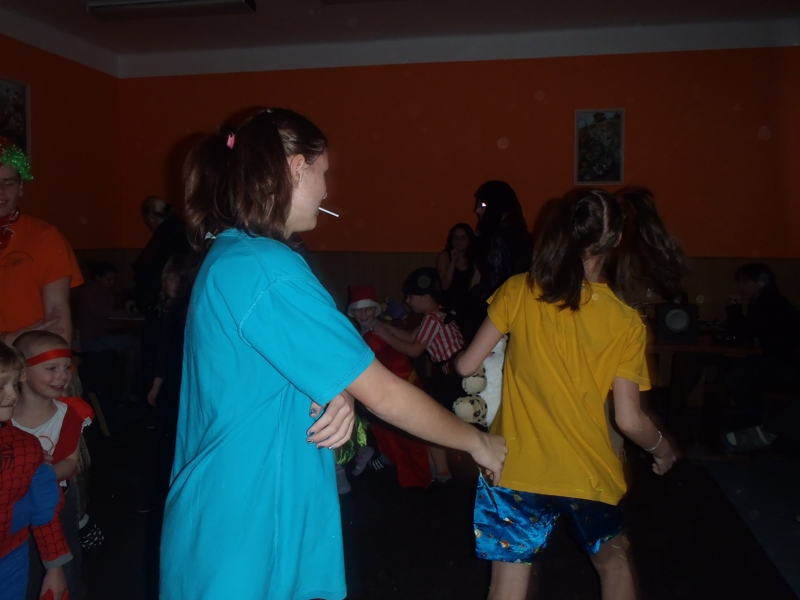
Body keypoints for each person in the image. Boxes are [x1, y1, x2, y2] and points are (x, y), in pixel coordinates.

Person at [160, 108, 507, 600]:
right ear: (295, 169)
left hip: (236, 514)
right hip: (247, 524)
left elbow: (267, 369)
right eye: (323, 173)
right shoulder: (266, 267)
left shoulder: (236, 254)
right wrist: (478, 443)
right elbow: (385, 395)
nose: (327, 191)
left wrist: (334, 389)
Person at [455, 189, 680, 600]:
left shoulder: (518, 290)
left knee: (507, 583)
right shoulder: (626, 322)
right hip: (587, 471)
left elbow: (466, 366)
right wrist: (663, 451)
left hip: (512, 466)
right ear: (616, 240)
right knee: (614, 566)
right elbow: (629, 420)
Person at [11, 331, 94, 600]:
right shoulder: (5, 414)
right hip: (12, 505)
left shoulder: (70, 413)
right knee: (22, 565)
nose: (62, 376)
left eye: (66, 368)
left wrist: (39, 474)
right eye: (51, 368)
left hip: (58, 502)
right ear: (22, 373)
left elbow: (70, 463)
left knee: (65, 563)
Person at [374, 267, 466, 485]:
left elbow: (414, 349)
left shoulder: (433, 319)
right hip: (453, 376)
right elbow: (410, 335)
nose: (407, 301)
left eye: (411, 297)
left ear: (426, 297)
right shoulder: (435, 314)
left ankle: (443, 473)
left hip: (454, 377)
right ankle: (444, 468)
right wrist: (384, 327)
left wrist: (386, 336)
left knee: (434, 422)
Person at [0, 341, 71, 600]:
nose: (12, 395)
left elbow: (43, 507)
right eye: (1, 386)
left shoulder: (26, 447)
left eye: (14, 385)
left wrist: (55, 567)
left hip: (10, 557)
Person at [0, 136, 83, 345]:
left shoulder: (44, 236)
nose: (0, 191)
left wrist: (57, 360)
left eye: (8, 183)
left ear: (21, 187)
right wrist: (7, 339)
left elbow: (57, 311)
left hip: (30, 359)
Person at [347, 284, 431, 488]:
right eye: (359, 310)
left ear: (375, 310)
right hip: (382, 390)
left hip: (399, 389)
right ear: (353, 312)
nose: (363, 314)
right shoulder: (363, 332)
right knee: (386, 432)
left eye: (367, 309)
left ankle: (420, 475)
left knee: (405, 435)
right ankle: (391, 460)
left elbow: (409, 346)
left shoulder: (378, 331)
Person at [139, 255, 190, 512]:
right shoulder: (165, 312)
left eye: (181, 280)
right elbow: (162, 352)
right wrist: (156, 383)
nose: (176, 285)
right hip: (171, 382)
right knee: (165, 440)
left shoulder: (187, 312)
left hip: (184, 382)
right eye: (171, 279)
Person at [723, 263, 800, 427]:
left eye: (745, 282)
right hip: (777, 361)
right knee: (726, 366)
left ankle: (752, 423)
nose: (740, 287)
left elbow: (744, 332)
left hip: (787, 366)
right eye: (739, 282)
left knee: (735, 377)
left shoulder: (771, 304)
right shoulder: (762, 302)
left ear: (761, 283)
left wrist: (735, 306)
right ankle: (747, 420)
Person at [76, 260, 139, 402]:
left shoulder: (106, 294)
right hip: (91, 342)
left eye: (113, 280)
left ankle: (126, 394)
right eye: (109, 279)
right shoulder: (88, 293)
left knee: (132, 354)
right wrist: (128, 315)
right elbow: (102, 313)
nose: (112, 283)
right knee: (136, 341)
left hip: (103, 339)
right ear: (98, 278)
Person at [435, 223, 477, 309]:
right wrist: (453, 261)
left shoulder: (473, 258)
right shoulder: (443, 256)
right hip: (446, 302)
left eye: (463, 238)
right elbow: (444, 287)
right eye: (455, 238)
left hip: (466, 302)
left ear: (469, 240)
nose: (458, 241)